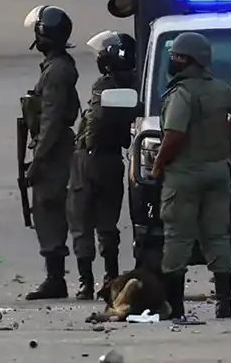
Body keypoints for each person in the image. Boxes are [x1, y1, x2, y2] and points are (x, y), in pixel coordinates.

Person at [151, 31, 231, 322]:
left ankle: (176, 307)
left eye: (176, 56)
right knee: (217, 236)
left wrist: (160, 163)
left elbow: (173, 135)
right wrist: (222, 134)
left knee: (177, 238)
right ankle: (224, 304)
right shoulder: (219, 88)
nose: (172, 61)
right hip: (217, 169)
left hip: (184, 173)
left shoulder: (181, 93)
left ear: (187, 60)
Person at [69, 30, 140, 299]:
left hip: (91, 158)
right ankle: (110, 277)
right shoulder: (135, 84)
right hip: (113, 160)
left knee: (81, 220)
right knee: (108, 224)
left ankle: (85, 281)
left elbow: (96, 120)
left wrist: (87, 141)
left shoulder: (105, 85)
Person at [21, 5, 81, 300]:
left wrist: (39, 160)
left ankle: (56, 279)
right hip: (53, 147)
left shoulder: (57, 71)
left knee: (48, 210)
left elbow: (52, 118)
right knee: (49, 210)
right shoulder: (56, 66)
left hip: (55, 151)